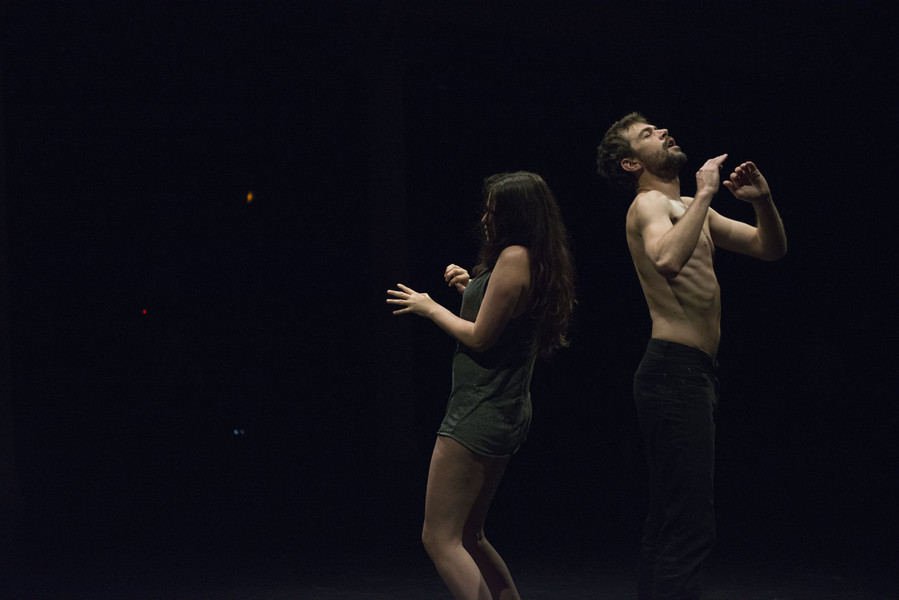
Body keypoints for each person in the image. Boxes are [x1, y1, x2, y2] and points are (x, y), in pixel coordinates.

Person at [596, 113, 787, 600]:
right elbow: (667, 260)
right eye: (647, 134)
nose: (662, 131)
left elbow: (769, 248)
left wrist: (762, 201)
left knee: (671, 517)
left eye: (657, 127)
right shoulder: (649, 204)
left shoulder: (683, 206)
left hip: (692, 371)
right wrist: (705, 193)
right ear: (631, 163)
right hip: (673, 370)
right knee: (689, 523)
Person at [386, 171, 575, 600]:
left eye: (494, 211)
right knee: (470, 535)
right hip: (502, 408)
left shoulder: (514, 257)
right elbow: (503, 315)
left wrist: (429, 307)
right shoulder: (532, 258)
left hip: (480, 410)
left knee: (439, 538)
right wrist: (472, 289)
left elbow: (479, 337)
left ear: (516, 216)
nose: (486, 218)